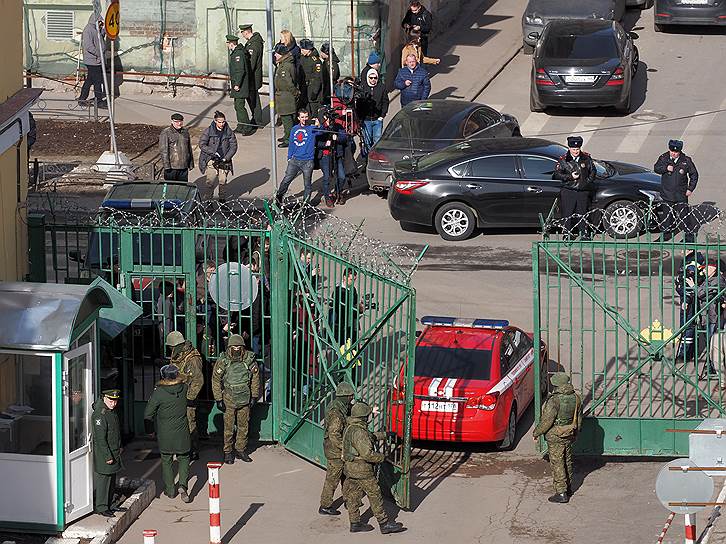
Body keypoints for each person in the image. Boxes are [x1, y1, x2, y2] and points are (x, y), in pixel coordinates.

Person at [342, 402, 405, 534]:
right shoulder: (360, 432)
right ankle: (384, 523)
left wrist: (385, 434)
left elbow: (370, 437)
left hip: (351, 468)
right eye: (367, 415)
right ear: (363, 417)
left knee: (353, 495)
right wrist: (381, 457)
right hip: (362, 470)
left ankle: (355, 523)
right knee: (375, 495)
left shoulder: (352, 428)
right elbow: (367, 454)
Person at [144, 364, 192, 503]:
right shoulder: (183, 388)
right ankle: (183, 484)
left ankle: (170, 490)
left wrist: (150, 430)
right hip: (182, 431)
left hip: (165, 433)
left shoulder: (159, 392)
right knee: (184, 458)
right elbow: (186, 378)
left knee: (166, 460)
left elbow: (148, 414)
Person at [532, 372, 583, 504]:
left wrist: (536, 432)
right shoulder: (576, 398)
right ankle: (569, 487)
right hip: (569, 433)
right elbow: (579, 420)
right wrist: (576, 434)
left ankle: (561, 492)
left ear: (557, 385)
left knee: (557, 462)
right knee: (567, 460)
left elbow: (547, 421)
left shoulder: (554, 400)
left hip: (555, 435)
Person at [212, 334, 260, 464]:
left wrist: (254, 396)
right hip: (229, 398)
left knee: (243, 426)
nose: (237, 349)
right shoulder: (223, 361)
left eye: (239, 346)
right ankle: (228, 452)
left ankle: (241, 450)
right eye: (234, 346)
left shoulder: (249, 359)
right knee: (228, 428)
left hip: (244, 398)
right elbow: (216, 380)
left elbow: (255, 378)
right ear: (229, 347)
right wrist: (218, 399)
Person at [166, 331, 204, 461]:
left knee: (189, 424)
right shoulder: (177, 354)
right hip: (176, 395)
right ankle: (180, 449)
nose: (170, 349)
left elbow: (198, 380)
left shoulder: (192, 358)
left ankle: (193, 450)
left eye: (171, 347)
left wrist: (190, 398)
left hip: (187, 397)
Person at [319, 382, 356, 516]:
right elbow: (334, 434)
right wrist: (344, 448)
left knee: (345, 475)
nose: (352, 397)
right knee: (333, 478)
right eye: (350, 395)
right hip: (335, 450)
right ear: (344, 396)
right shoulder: (336, 412)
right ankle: (325, 505)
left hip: (335, 449)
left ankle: (348, 499)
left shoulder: (340, 405)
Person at [654, 139, 699, 242]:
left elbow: (694, 175)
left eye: (676, 152)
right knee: (666, 217)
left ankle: (689, 237)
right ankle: (665, 235)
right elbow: (656, 168)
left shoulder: (686, 160)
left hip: (681, 194)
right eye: (672, 151)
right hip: (667, 193)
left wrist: (690, 188)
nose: (673, 154)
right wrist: (665, 168)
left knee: (684, 216)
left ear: (680, 151)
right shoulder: (664, 158)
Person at [275, 109, 323, 203]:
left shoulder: (312, 128)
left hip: (308, 162)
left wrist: (318, 124)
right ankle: (279, 199)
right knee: (286, 180)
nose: (304, 119)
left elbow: (321, 132)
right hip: (295, 160)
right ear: (298, 118)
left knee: (307, 185)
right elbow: (292, 144)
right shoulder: (294, 129)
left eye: (306, 117)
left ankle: (305, 205)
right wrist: (289, 157)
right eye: (302, 117)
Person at [553, 136, 595, 240]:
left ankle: (583, 233)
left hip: (582, 191)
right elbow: (557, 175)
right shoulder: (563, 160)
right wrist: (570, 177)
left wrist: (586, 182)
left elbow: (593, 171)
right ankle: (567, 233)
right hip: (569, 190)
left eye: (577, 149)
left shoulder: (586, 158)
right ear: (569, 148)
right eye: (573, 149)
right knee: (568, 213)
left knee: (582, 212)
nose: (576, 151)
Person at [92, 389, 122, 517]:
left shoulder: (110, 411)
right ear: (104, 398)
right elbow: (100, 439)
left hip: (114, 451)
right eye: (111, 400)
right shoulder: (100, 414)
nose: (113, 403)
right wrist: (107, 456)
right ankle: (101, 507)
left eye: (115, 401)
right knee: (104, 480)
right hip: (105, 454)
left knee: (111, 479)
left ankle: (109, 504)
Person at [198, 111, 238, 200]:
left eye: (223, 122)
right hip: (211, 160)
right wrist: (213, 152)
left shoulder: (229, 132)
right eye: (219, 122)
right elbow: (202, 144)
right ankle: (208, 200)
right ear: (215, 121)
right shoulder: (209, 131)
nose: (222, 124)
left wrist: (226, 158)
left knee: (223, 182)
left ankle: (222, 200)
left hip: (224, 161)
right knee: (210, 182)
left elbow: (233, 146)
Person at [316, 107, 348, 207]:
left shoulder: (337, 126)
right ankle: (327, 197)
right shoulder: (321, 128)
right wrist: (325, 143)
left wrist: (337, 138)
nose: (331, 119)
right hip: (326, 156)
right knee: (327, 178)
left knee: (342, 176)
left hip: (337, 155)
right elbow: (317, 142)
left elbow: (344, 137)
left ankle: (338, 192)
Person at [226, 34, 254, 136]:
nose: (227, 45)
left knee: (240, 106)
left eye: (228, 43)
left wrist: (237, 84)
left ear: (232, 43)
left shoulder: (238, 54)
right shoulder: (236, 53)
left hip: (240, 85)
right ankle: (241, 125)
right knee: (237, 106)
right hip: (238, 84)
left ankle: (247, 126)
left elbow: (240, 70)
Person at [274, 44, 301, 146]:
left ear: (281, 54)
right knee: (286, 119)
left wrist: (295, 93)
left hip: (286, 96)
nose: (275, 55)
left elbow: (289, 82)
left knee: (287, 119)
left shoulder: (285, 66)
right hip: (283, 95)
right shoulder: (283, 64)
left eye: (276, 54)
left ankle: (289, 139)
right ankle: (287, 135)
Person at [358, 68, 389, 154]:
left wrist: (382, 115)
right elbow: (359, 104)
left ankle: (375, 156)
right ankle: (367, 157)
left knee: (377, 140)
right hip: (366, 120)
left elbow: (385, 101)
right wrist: (361, 118)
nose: (373, 80)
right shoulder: (363, 87)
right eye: (371, 78)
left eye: (375, 78)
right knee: (367, 141)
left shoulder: (381, 87)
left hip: (377, 119)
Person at [78, 14, 107, 108]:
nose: (100, 23)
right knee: (97, 81)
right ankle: (98, 101)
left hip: (97, 60)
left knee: (90, 80)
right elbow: (89, 46)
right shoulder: (88, 30)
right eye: (99, 21)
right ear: (94, 20)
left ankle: (82, 99)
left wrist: (104, 29)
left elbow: (101, 37)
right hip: (92, 60)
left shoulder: (96, 29)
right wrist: (99, 54)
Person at [240, 24, 264, 128]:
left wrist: (245, 75)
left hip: (252, 77)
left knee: (254, 99)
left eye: (242, 32)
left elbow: (251, 63)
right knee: (251, 98)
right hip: (252, 77)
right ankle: (256, 118)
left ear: (246, 32)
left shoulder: (254, 44)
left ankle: (257, 120)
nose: (242, 35)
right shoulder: (251, 42)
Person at [159, 113, 194, 181]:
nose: (179, 123)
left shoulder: (185, 132)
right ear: (172, 121)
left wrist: (190, 163)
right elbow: (164, 151)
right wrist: (167, 166)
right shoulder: (166, 133)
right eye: (176, 121)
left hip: (184, 167)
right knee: (171, 188)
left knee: (182, 188)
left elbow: (188, 148)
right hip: (172, 168)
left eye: (180, 121)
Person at [299, 39, 324, 116]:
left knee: (314, 112)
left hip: (312, 89)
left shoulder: (315, 61)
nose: (301, 50)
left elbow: (318, 78)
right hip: (304, 88)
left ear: (308, 50)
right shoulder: (302, 57)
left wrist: (315, 92)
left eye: (303, 49)